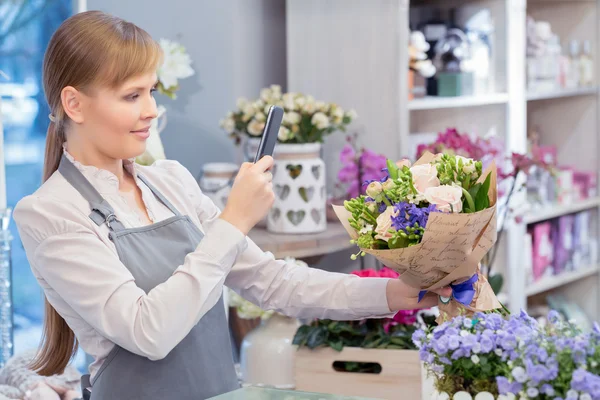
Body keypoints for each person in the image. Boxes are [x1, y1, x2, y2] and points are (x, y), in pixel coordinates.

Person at [13, 10, 451, 400]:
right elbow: (148, 332)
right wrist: (234, 221)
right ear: (74, 103)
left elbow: (274, 282)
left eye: (152, 92)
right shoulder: (49, 213)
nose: (151, 110)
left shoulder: (170, 181)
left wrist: (397, 293)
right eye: (132, 96)